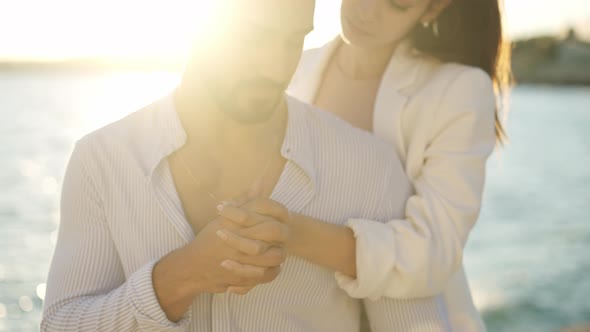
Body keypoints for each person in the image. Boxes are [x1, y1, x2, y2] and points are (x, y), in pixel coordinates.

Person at [41, 0, 452, 331]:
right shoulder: (102, 160)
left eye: (294, 40)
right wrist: (177, 278)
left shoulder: (368, 166)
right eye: (254, 37)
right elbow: (60, 325)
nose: (276, 68)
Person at [286, 0, 512, 330]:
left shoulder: (458, 89)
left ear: (433, 9)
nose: (366, 11)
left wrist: (293, 235)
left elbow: (435, 248)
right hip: (300, 313)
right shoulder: (295, 66)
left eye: (397, 5)